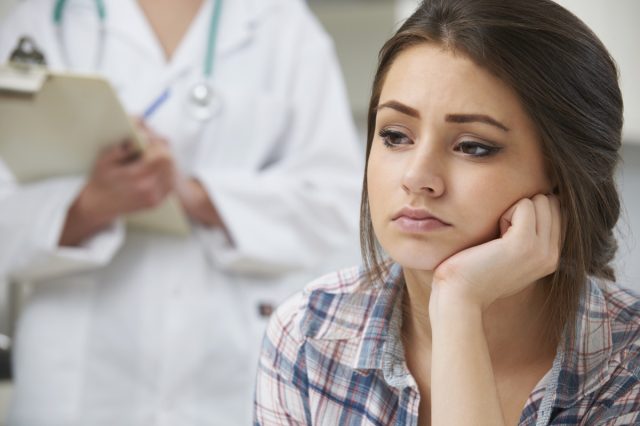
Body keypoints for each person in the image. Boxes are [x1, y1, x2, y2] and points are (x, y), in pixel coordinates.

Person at [254, 0, 640, 424]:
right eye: (395, 136)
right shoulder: (310, 333)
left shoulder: (627, 364)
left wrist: (458, 303)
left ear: (562, 176)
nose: (418, 177)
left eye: (473, 146)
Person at [0, 0, 362, 424]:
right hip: (77, 377)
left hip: (227, 370)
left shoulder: (281, 24)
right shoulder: (45, 20)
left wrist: (193, 195)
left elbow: (333, 202)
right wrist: (92, 205)